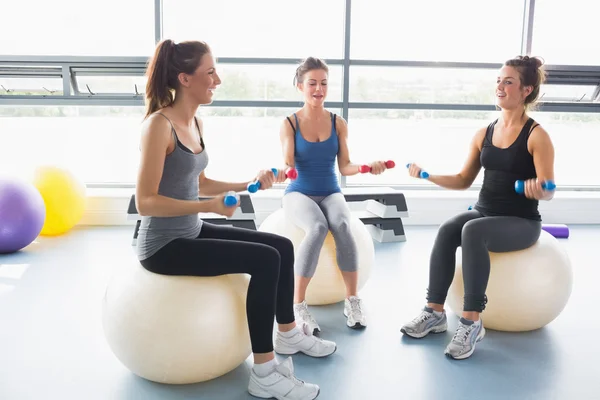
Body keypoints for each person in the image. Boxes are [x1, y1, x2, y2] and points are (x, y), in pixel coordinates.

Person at [135, 39, 336, 400]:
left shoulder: (193, 121)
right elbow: (146, 202)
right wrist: (208, 206)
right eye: (210, 72)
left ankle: (288, 333)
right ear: (184, 78)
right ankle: (264, 372)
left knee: (280, 245)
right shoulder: (158, 126)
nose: (218, 79)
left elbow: (197, 182)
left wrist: (249, 182)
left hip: (190, 231)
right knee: (264, 260)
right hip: (162, 246)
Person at [400, 55, 555, 360]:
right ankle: (434, 311)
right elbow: (462, 179)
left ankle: (471, 321)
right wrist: (429, 175)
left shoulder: (537, 136)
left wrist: (540, 188)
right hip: (485, 212)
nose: (500, 86)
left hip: (521, 221)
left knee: (472, 230)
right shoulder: (484, 132)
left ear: (526, 89)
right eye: (498, 80)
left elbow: (548, 188)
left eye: (508, 81)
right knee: (448, 229)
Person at [279, 57, 391, 334]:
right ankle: (298, 305)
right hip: (298, 193)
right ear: (299, 86)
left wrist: (367, 167)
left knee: (341, 224)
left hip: (330, 190)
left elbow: (345, 167)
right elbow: (288, 163)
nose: (318, 89)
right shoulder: (289, 124)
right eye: (312, 83)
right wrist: (283, 172)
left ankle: (352, 300)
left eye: (324, 83)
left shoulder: (338, 122)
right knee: (317, 227)